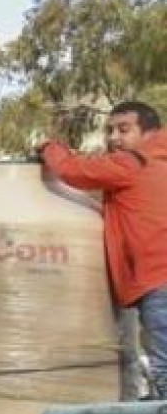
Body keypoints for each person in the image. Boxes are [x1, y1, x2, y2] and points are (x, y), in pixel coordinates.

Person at [40, 101, 167, 398]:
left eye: (124, 129)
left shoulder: (134, 163)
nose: (113, 138)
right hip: (157, 282)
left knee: (164, 370)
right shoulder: (158, 165)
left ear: (150, 133)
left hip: (158, 282)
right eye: (110, 130)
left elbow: (73, 170)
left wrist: (49, 148)